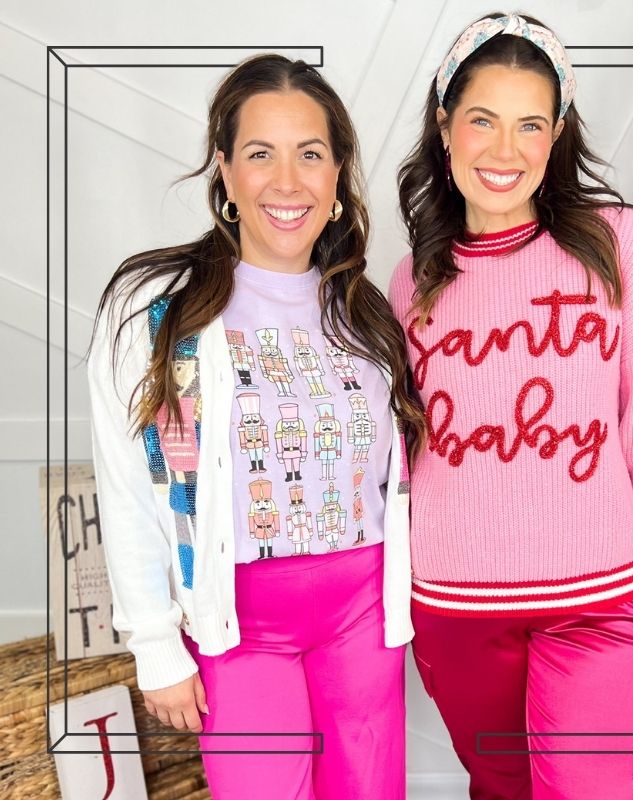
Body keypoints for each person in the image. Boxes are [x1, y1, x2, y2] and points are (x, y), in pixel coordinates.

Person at [88, 53, 425, 800]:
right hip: (237, 625)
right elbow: (128, 481)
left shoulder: (366, 313)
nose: (286, 180)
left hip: (362, 616)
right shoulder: (157, 311)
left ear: (338, 174)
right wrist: (154, 646)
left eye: (310, 154)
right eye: (259, 154)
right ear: (225, 170)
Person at [389, 12, 633, 800]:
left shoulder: (617, 242)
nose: (505, 150)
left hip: (597, 603)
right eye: (483, 120)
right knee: (500, 791)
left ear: (556, 133)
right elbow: (397, 449)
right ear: (444, 124)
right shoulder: (411, 281)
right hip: (455, 607)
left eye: (530, 124)